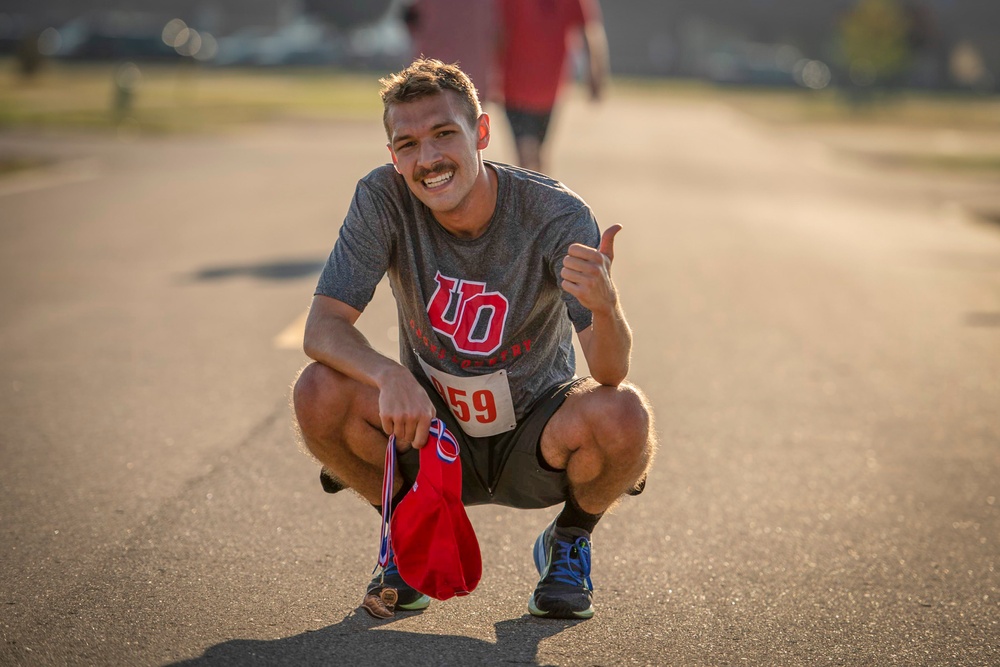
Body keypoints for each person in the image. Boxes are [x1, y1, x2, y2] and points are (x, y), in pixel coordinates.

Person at [292, 58, 653, 620]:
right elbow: (323, 328)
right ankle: (403, 539)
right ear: (393, 155)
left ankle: (569, 541)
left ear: (481, 132)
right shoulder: (383, 198)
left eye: (444, 134)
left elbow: (609, 373)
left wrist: (606, 309)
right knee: (318, 391)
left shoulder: (555, 212)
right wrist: (390, 375)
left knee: (625, 414)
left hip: (537, 432)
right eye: (406, 143)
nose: (427, 159)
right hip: (432, 431)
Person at [498, 0, 610, 173]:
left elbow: (589, 30)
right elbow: (497, 32)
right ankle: (534, 196)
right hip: (516, 88)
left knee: (536, 154)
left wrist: (595, 74)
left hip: (548, 89)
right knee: (528, 154)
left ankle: (538, 196)